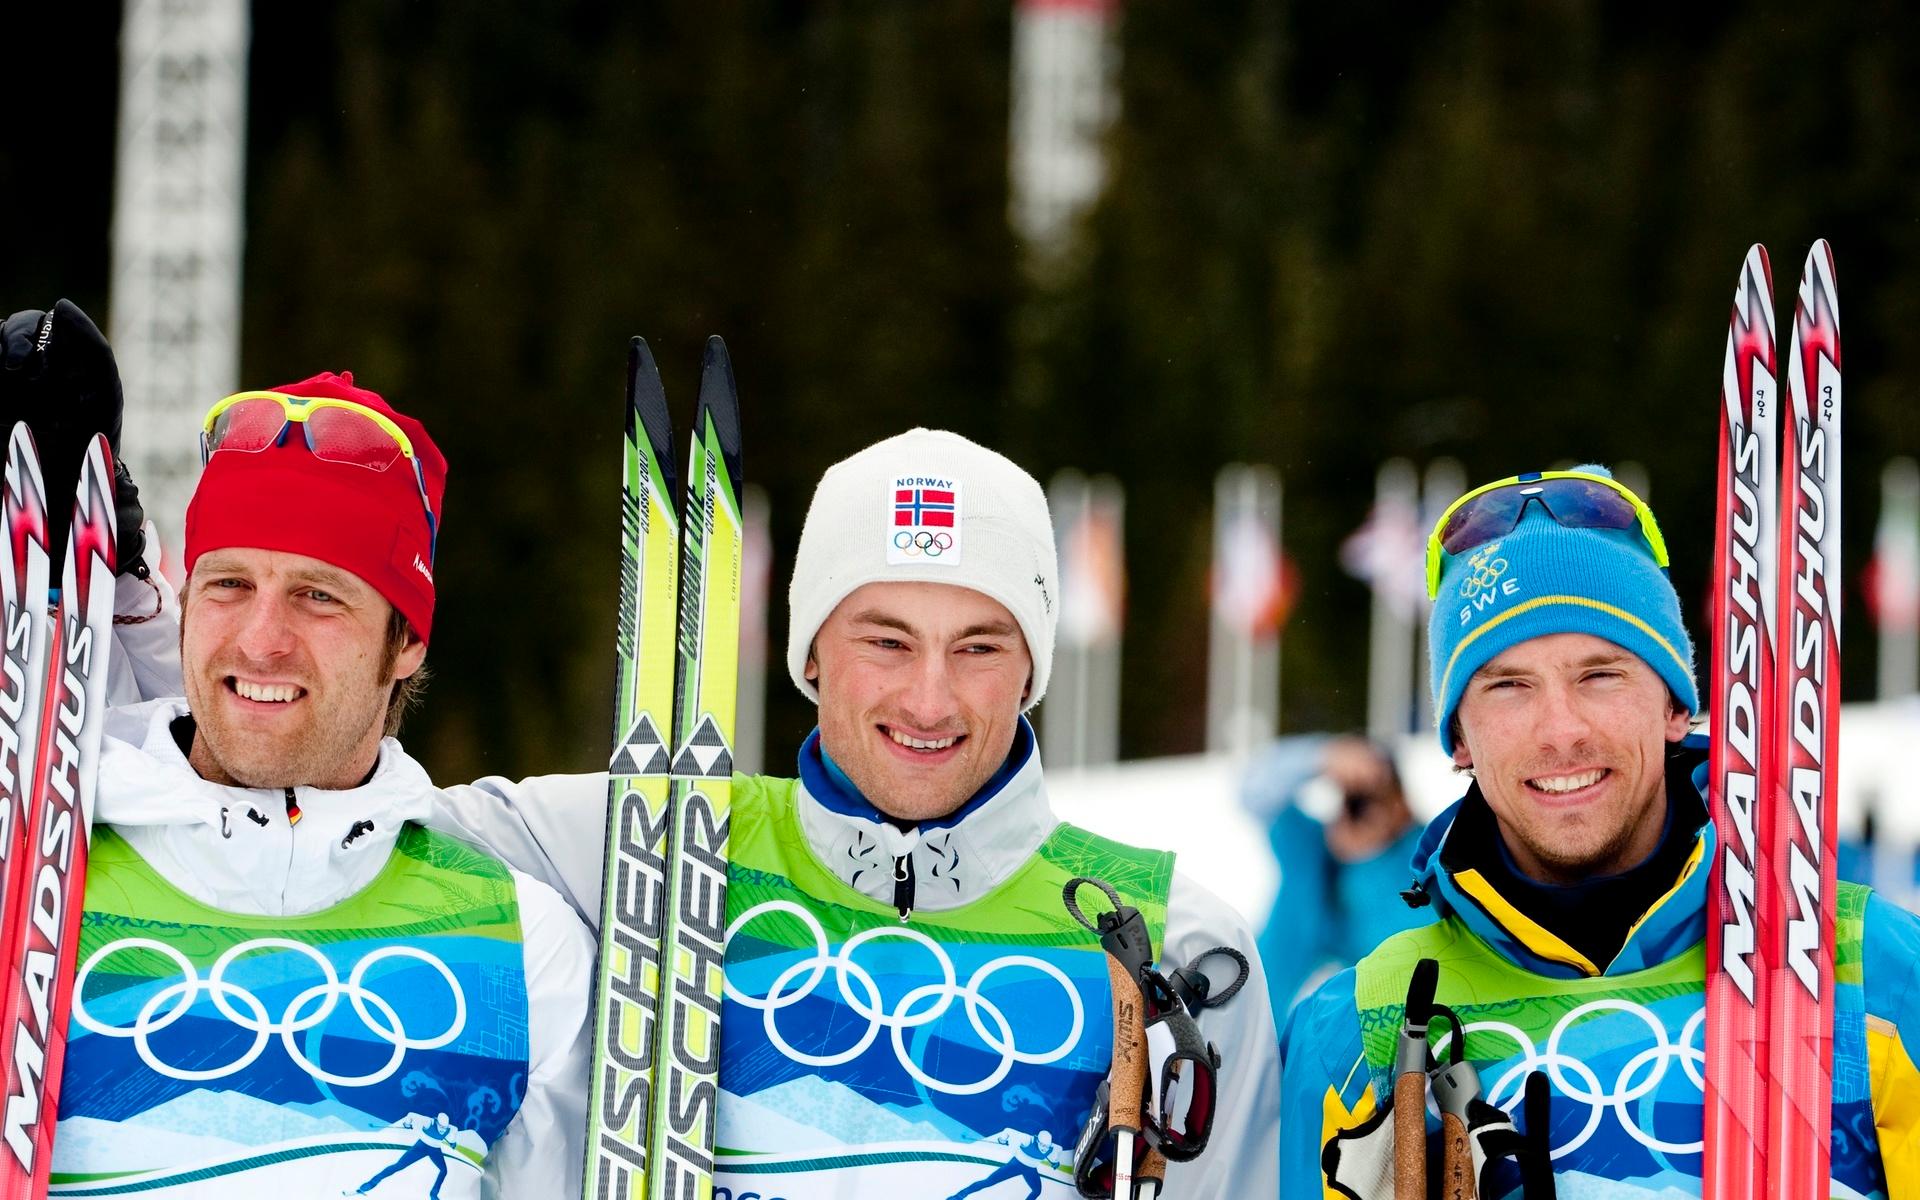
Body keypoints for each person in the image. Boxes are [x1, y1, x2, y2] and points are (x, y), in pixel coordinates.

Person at [434, 429, 1281, 1198]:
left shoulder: (1177, 943)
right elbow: (352, 824)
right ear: (811, 653)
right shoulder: (645, 841)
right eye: (887, 641)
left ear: (1032, 668)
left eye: (979, 647)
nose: (929, 698)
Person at [1, 302, 593, 1197]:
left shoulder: (523, 949)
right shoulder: (36, 885)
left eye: (320, 597)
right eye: (229, 584)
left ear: (407, 643)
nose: (263, 641)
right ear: (184, 600)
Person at [1280, 466, 1920, 1198]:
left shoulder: (1872, 970)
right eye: (1509, 685)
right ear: (1458, 737)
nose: (1562, 730)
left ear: (1677, 706)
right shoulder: (1360, 1025)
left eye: (1600, 675)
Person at [1242, 733, 1429, 1014]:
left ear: (1401, 802)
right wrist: (1320, 758)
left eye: (1368, 799)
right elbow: (1254, 793)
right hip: (1264, 1038)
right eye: (1348, 798)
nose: (1353, 813)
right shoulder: (1311, 852)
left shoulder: (1428, 862)